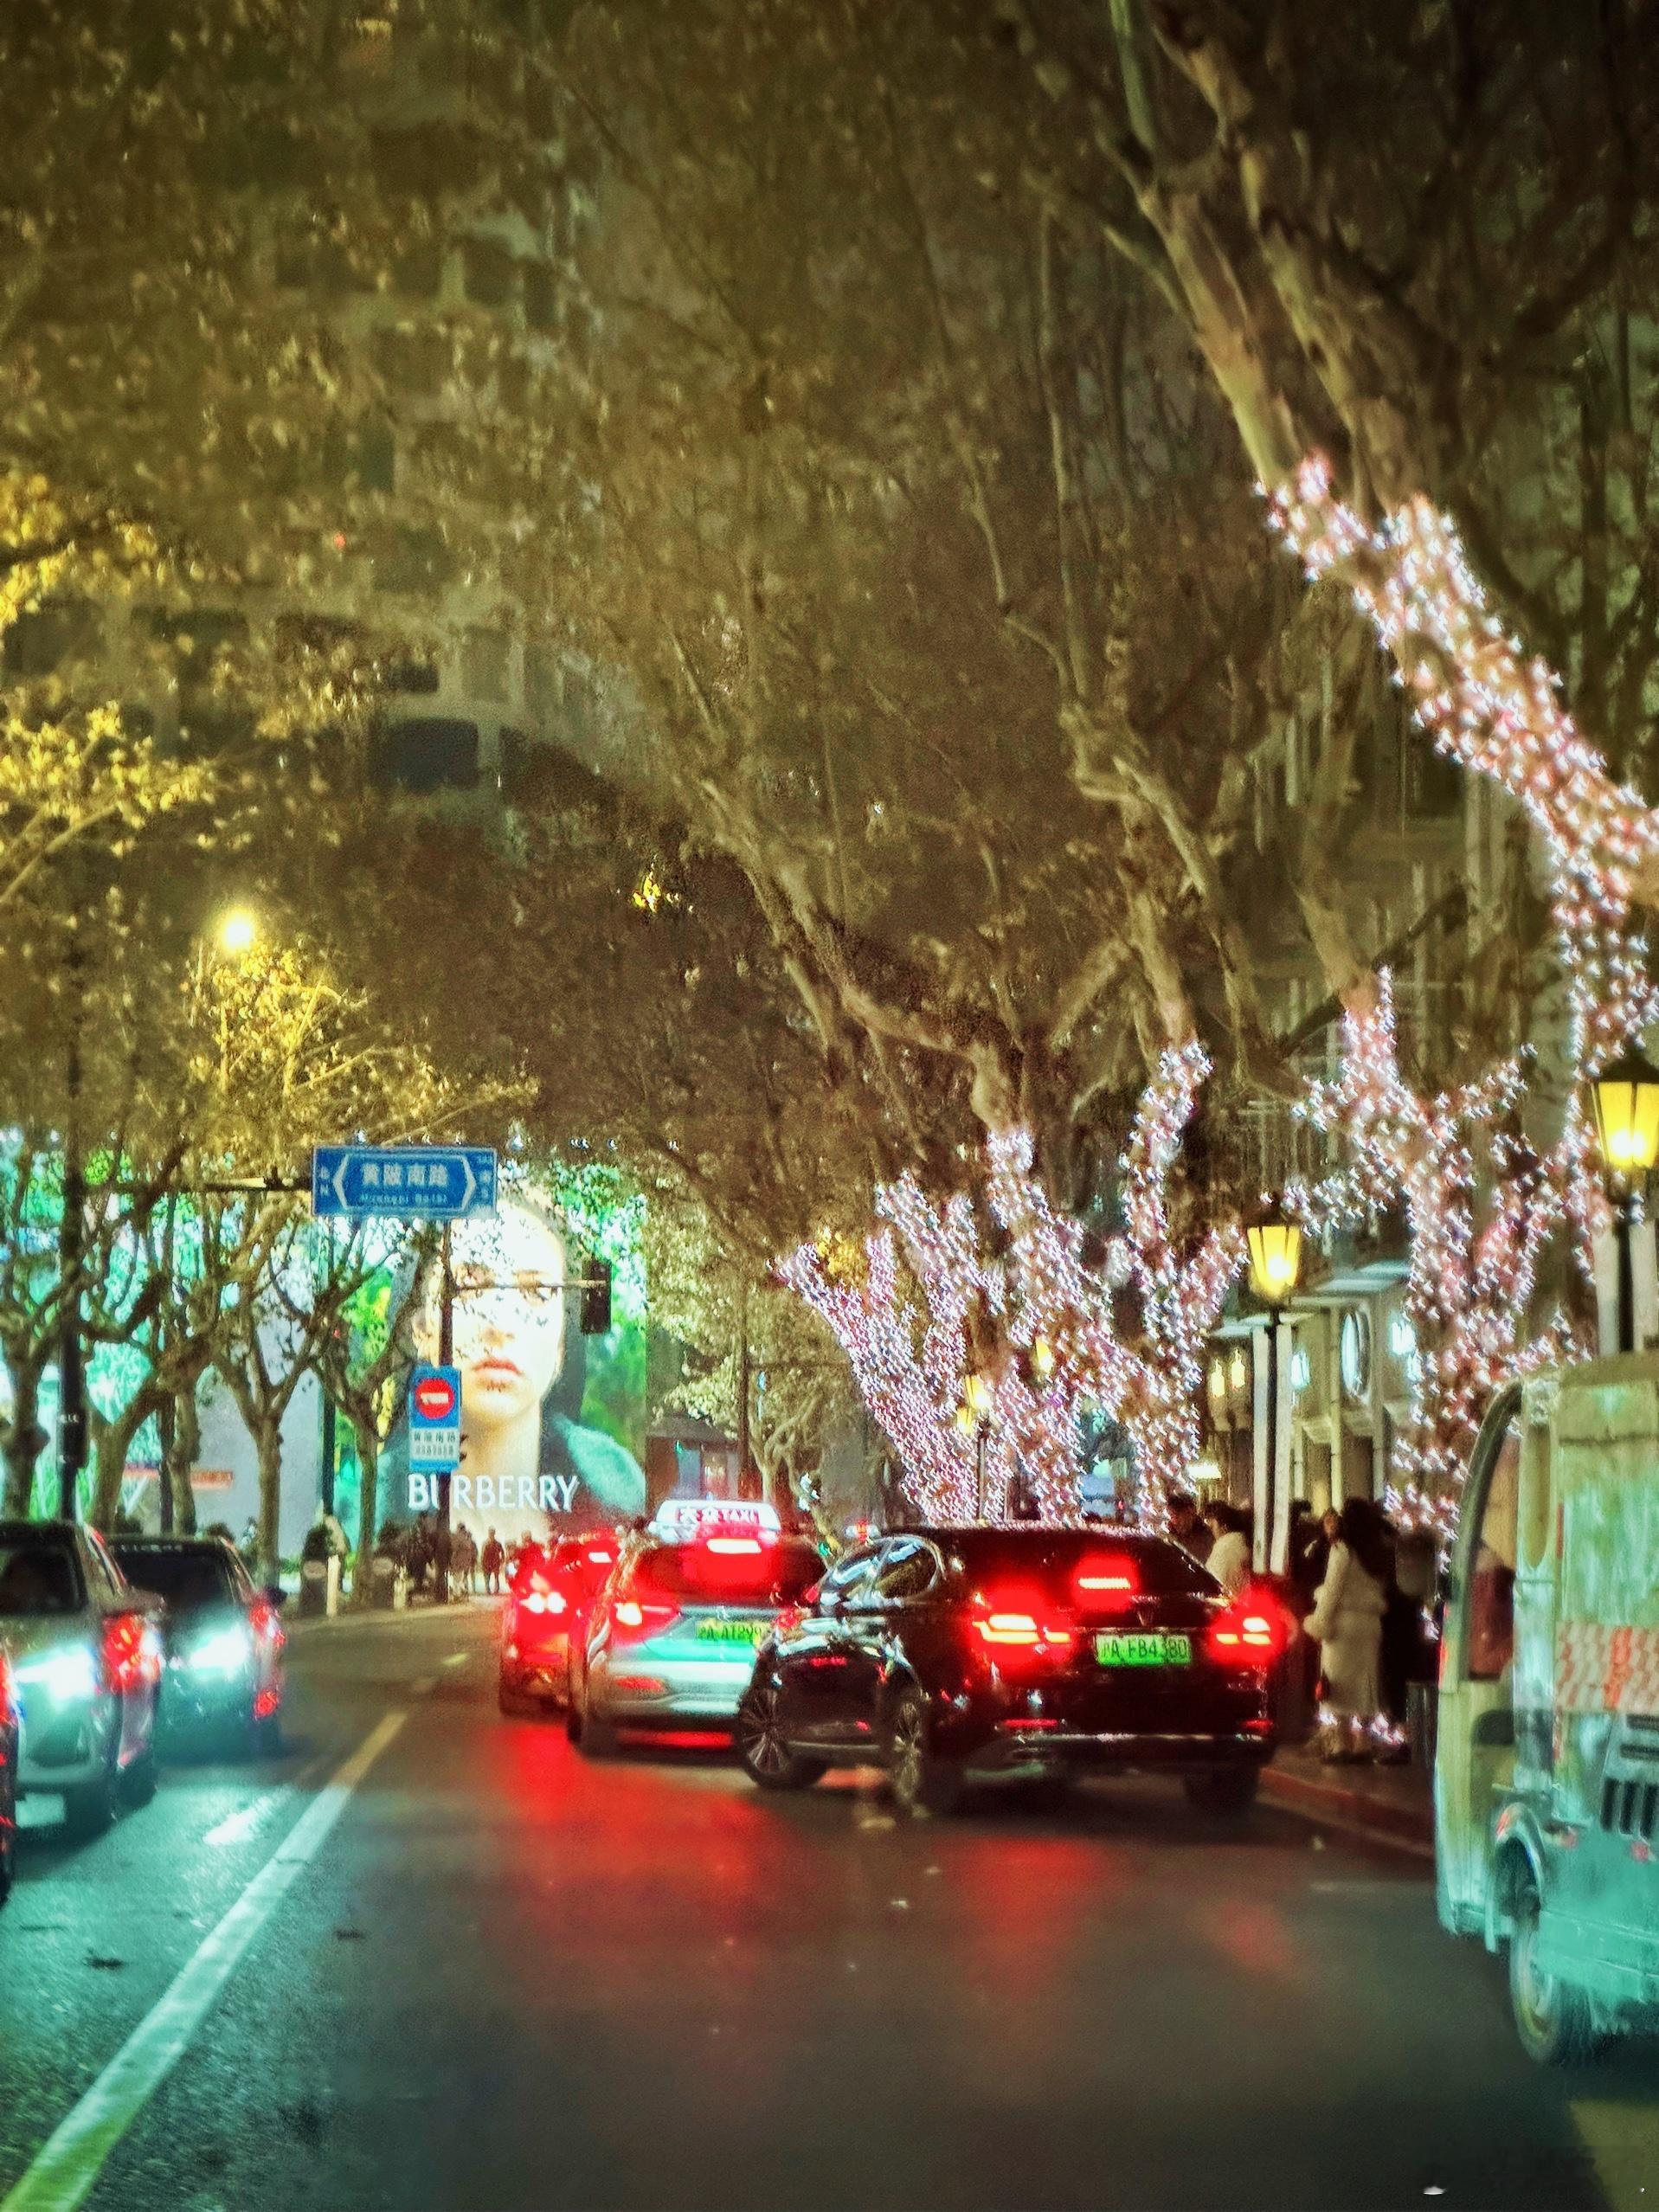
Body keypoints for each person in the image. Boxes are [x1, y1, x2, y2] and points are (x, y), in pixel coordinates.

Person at [1302, 1496, 1391, 1760]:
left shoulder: (1342, 1550)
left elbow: (1332, 1590)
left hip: (1344, 1624)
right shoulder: (1378, 1552)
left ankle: (1341, 1744)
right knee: (1366, 1683)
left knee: (1337, 1685)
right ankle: (1363, 1742)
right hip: (1370, 1624)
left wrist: (1319, 1623)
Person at [1203, 1500, 1251, 1597]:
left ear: (1224, 1527)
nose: (1212, 1532)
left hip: (1230, 1603)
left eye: (1212, 1527)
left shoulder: (1225, 1545)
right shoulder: (1242, 1540)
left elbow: (1212, 1580)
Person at [1167, 1491, 1213, 1565]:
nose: (1174, 1522)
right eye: (1171, 1517)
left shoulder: (1208, 1538)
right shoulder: (1170, 1539)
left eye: (1177, 1516)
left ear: (1190, 1511)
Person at [452, 1523, 477, 1596]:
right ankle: (459, 1593)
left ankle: (458, 1593)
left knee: (459, 1578)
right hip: (463, 1561)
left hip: (462, 1561)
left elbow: (455, 1550)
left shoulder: (460, 1539)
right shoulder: (463, 1539)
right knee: (460, 1578)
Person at [481, 1528, 505, 1596]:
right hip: (489, 1562)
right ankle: (489, 1590)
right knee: (488, 1577)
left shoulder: (496, 1543)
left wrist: (502, 1560)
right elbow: (483, 1555)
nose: (491, 1534)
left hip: (494, 1562)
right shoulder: (487, 1543)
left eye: (492, 1533)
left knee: (495, 1577)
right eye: (491, 1533)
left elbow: (502, 1552)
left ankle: (494, 1590)